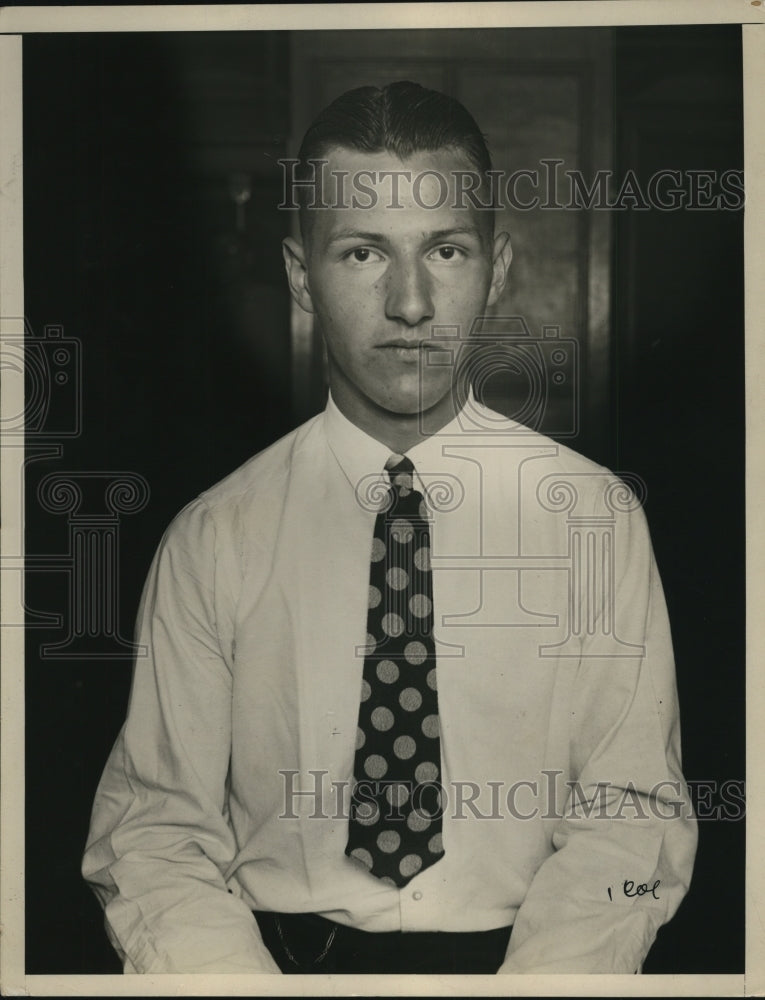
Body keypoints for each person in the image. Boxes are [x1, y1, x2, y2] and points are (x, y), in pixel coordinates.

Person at [82, 80, 697, 976]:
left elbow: (631, 815)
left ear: (500, 267)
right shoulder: (214, 537)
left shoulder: (594, 522)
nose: (409, 304)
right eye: (364, 254)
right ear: (300, 276)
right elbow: (153, 834)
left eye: (444, 251)